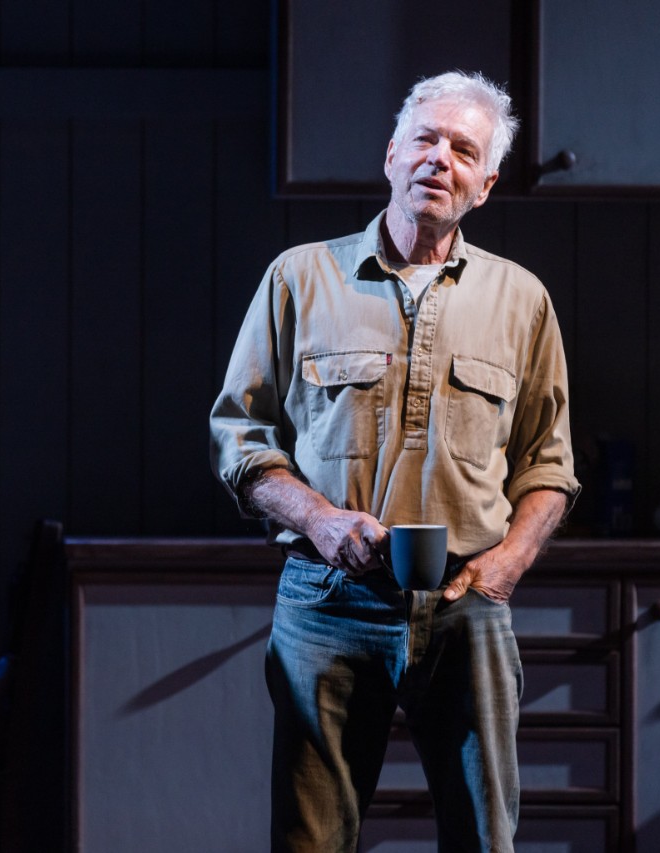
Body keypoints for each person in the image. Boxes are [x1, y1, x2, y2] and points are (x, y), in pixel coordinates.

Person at [209, 71, 579, 852]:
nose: (439, 158)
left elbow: (549, 465)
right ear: (390, 155)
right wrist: (318, 519)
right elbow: (238, 436)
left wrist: (507, 565)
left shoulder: (522, 300)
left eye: (463, 149)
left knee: (484, 837)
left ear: (485, 184)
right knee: (310, 839)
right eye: (425, 138)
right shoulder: (299, 278)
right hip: (328, 595)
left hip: (467, 603)